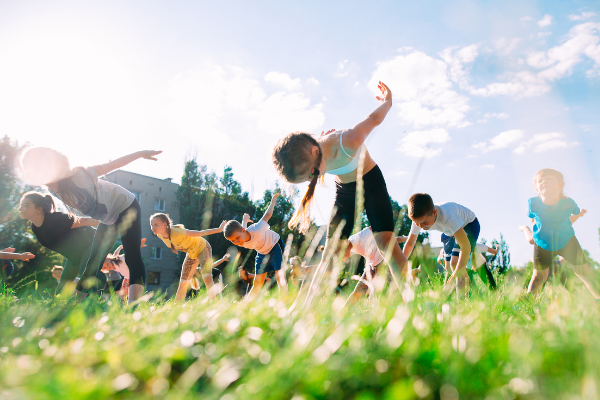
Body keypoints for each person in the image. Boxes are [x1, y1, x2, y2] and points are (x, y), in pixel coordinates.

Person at [272, 82, 408, 300]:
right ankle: (305, 307)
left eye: (311, 174)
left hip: (371, 182)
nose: (311, 180)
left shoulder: (348, 140)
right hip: (345, 191)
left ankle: (412, 299)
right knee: (330, 252)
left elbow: (373, 120)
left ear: (316, 151)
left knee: (385, 243)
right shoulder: (312, 150)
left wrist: (387, 102)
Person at [19, 147, 161, 303]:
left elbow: (111, 165)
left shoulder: (78, 176)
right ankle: (76, 304)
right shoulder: (54, 191)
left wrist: (140, 154)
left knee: (132, 257)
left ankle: (134, 305)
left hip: (126, 205)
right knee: (92, 263)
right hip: (108, 219)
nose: (30, 174)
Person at [525, 168, 599, 298]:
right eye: (540, 180)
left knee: (583, 272)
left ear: (560, 186)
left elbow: (575, 212)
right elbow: (532, 216)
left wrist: (580, 213)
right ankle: (528, 304)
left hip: (567, 240)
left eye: (548, 179)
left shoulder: (568, 203)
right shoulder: (533, 203)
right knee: (539, 277)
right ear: (537, 188)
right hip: (543, 243)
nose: (544, 182)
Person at [18, 191, 99, 293]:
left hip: (90, 245)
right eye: (21, 205)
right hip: (74, 256)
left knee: (86, 275)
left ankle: (94, 302)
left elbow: (84, 221)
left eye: (26, 205)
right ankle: (59, 306)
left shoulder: (56, 219)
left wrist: (111, 223)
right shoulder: (35, 228)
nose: (20, 209)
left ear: (39, 209)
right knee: (61, 288)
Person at [403, 193, 480, 296]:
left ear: (434, 213)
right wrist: (401, 265)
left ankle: (463, 301)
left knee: (455, 264)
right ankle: (466, 285)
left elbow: (465, 246)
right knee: (449, 267)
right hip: (449, 232)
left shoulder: (448, 216)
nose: (420, 226)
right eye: (417, 223)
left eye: (424, 223)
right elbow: (410, 243)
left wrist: (459, 269)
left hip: (468, 225)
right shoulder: (419, 219)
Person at [223, 193, 287, 301]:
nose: (236, 242)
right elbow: (242, 229)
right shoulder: (241, 239)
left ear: (243, 231)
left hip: (275, 245)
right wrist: (244, 220)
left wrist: (272, 202)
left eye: (237, 238)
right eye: (232, 241)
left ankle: (285, 301)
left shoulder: (257, 229)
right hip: (262, 252)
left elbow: (267, 215)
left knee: (279, 276)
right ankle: (245, 305)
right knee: (257, 283)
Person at [150, 213, 226, 301]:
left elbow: (199, 233)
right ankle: (176, 306)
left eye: (156, 225)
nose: (153, 228)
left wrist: (219, 229)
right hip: (192, 252)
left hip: (202, 247)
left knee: (207, 277)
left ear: (165, 225)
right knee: (183, 282)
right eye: (151, 225)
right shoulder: (160, 235)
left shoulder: (177, 232)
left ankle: (214, 303)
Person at [342, 227, 411, 304]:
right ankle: (343, 311)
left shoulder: (359, 238)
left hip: (383, 263)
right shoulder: (352, 243)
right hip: (371, 265)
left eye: (342, 257)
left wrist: (406, 238)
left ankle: (410, 304)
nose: (344, 259)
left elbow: (373, 228)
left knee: (398, 285)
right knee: (358, 290)